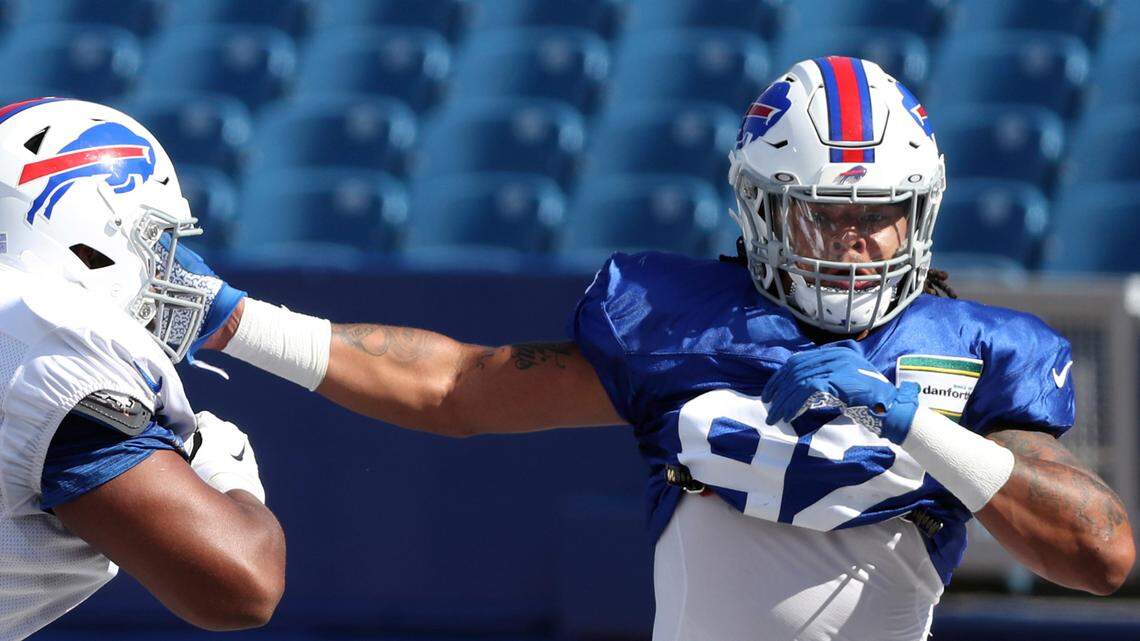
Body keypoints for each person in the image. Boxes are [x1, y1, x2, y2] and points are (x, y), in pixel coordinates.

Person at [196, 58, 1133, 640]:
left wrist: (917, 424)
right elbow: (457, 387)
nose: (857, 240)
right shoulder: (676, 321)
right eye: (825, 213)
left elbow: (1102, 554)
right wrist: (238, 318)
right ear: (763, 209)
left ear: (919, 214)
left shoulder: (976, 350)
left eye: (880, 215)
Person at [0, 98, 284, 640]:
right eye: (152, 239)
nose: (166, 268)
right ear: (88, 227)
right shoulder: (52, 340)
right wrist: (230, 480)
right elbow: (240, 587)